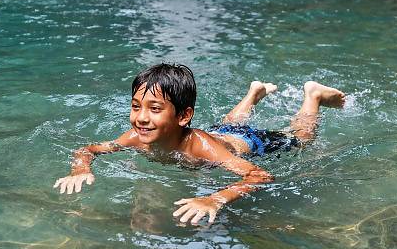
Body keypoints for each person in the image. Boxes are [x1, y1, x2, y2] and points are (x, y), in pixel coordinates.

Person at [54, 63, 345, 225]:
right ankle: (253, 94)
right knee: (230, 123)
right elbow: (87, 149)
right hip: (222, 133)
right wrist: (80, 168)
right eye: (135, 106)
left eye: (155, 109)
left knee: (301, 140)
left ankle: (313, 96)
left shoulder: (200, 148)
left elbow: (259, 175)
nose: (140, 118)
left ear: (183, 116)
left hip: (247, 144)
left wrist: (214, 199)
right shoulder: (135, 138)